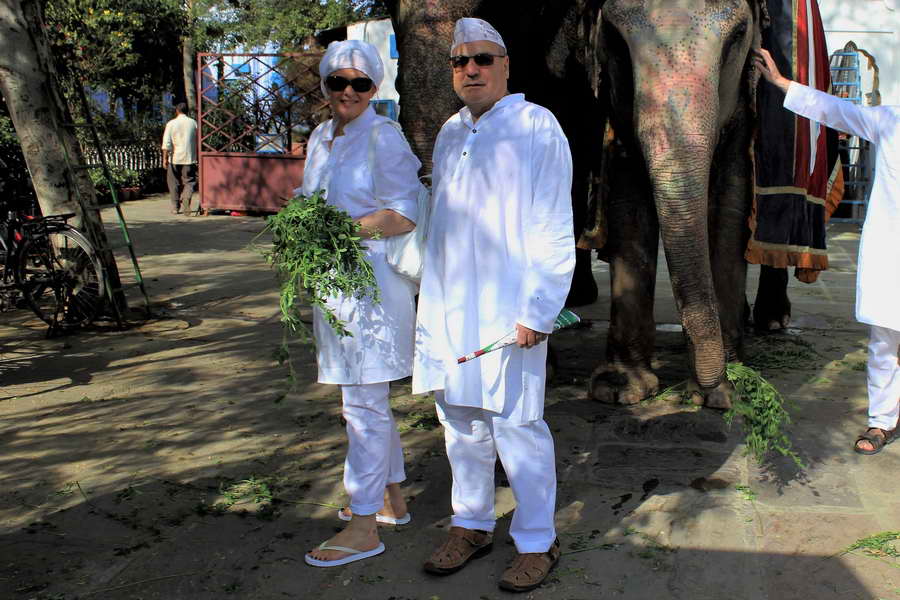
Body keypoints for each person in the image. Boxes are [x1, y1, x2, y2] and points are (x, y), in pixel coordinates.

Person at [413, 17, 575, 593]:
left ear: (505, 65)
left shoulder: (537, 125)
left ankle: (538, 539)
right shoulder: (451, 131)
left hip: (511, 309)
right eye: (460, 62)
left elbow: (554, 224)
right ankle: (472, 523)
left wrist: (539, 307)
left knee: (517, 422)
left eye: (482, 59)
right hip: (451, 303)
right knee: (459, 419)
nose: (471, 70)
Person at [301, 39, 422, 567]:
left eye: (360, 83)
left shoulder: (384, 137)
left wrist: (340, 232)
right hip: (332, 287)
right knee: (363, 402)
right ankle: (392, 502)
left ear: (375, 88)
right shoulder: (321, 137)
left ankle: (364, 524)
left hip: (370, 289)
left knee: (363, 406)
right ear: (325, 86)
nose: (348, 92)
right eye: (338, 82)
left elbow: (404, 213)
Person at [755, 48, 900, 455]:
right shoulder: (891, 122)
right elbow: (835, 111)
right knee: (884, 338)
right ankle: (882, 421)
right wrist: (783, 84)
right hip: (893, 248)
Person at [161, 102, 198, 216]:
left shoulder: (171, 124)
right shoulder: (193, 123)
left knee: (173, 182)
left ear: (177, 111)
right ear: (187, 111)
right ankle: (186, 197)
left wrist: (165, 159)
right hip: (189, 157)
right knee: (190, 181)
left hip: (174, 158)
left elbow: (166, 143)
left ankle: (175, 207)